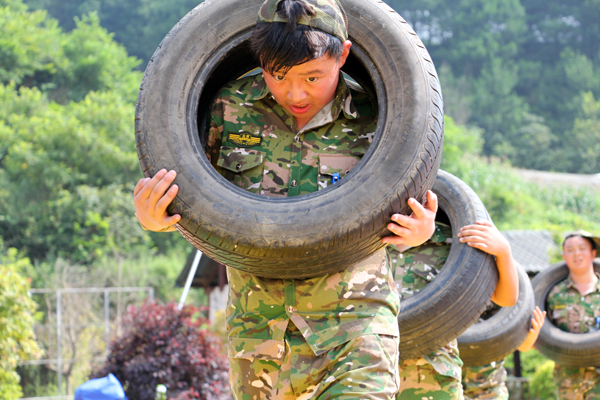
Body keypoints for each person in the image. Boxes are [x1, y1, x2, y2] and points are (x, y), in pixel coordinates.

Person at [133, 0, 437, 398]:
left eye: (313, 77)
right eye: (278, 75)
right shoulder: (228, 108)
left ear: (343, 55)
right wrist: (153, 216)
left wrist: (419, 232)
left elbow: (410, 203)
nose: (295, 93)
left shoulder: (379, 116)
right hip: (261, 334)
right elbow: (190, 194)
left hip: (354, 325)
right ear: (260, 60)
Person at [389, 220, 519, 400]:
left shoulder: (457, 240)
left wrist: (504, 252)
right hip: (368, 370)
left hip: (432, 373)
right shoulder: (362, 239)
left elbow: (506, 298)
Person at [546, 230, 600, 400]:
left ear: (593, 253)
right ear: (564, 256)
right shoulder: (553, 294)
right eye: (570, 250)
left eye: (582, 248)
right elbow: (542, 332)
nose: (576, 253)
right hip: (568, 379)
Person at [461, 306, 546, 400]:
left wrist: (533, 331)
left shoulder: (497, 305)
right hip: (450, 385)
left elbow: (522, 346)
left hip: (490, 389)